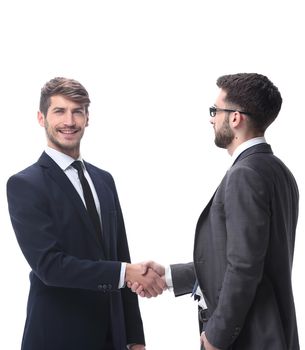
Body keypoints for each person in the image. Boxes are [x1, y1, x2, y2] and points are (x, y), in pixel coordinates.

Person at [131, 73, 300, 349]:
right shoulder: (280, 171)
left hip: (250, 338)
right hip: (274, 335)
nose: (211, 119)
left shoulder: (245, 174)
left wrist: (216, 335)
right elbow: (243, 259)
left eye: (215, 110)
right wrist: (169, 276)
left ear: (235, 118)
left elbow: (244, 267)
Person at [6, 77, 165, 350]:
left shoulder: (104, 180)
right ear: (41, 118)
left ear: (87, 118)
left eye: (77, 111)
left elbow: (120, 254)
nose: (69, 121)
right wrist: (126, 272)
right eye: (59, 111)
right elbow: (49, 266)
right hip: (59, 336)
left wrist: (135, 338)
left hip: (113, 337)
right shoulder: (25, 184)